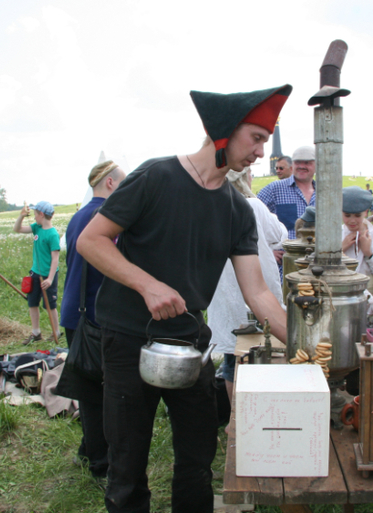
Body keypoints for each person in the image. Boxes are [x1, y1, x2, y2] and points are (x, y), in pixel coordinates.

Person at [77, 84, 292, 513]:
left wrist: (308, 346)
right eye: (256, 139)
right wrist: (147, 285)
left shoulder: (236, 208)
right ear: (224, 132)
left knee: (197, 457)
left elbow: (259, 293)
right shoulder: (156, 176)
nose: (260, 153)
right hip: (127, 338)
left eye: (265, 143)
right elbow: (91, 241)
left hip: (190, 342)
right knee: (128, 459)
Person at [56, 160, 125, 481]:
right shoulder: (106, 217)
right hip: (94, 315)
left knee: (88, 385)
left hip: (76, 312)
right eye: (123, 183)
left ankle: (88, 448)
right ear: (110, 183)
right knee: (99, 393)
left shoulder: (79, 215)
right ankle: (100, 464)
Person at [208, 166, 286, 426]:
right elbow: (280, 235)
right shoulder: (254, 205)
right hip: (255, 284)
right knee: (264, 352)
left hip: (223, 288)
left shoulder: (212, 206)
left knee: (234, 357)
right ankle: (260, 416)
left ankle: (237, 420)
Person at [14, 200, 60, 345]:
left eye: (35, 214)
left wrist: (50, 279)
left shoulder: (52, 235)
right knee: (32, 303)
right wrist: (21, 216)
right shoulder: (36, 228)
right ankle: (36, 332)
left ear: (41, 214)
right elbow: (18, 229)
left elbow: (55, 259)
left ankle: (56, 332)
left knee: (50, 305)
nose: (33, 217)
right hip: (35, 273)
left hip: (48, 276)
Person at [341, 187, 373, 300]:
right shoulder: (336, 234)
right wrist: (340, 250)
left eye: (358, 216)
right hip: (341, 297)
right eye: (347, 215)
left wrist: (369, 254)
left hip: (370, 303)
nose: (352, 221)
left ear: (366, 212)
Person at [257, 145, 316, 240]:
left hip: (316, 253)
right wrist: (269, 248)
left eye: (307, 162)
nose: (301, 166)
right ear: (292, 165)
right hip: (286, 253)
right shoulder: (274, 189)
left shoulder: (323, 194)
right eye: (297, 162)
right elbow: (252, 216)